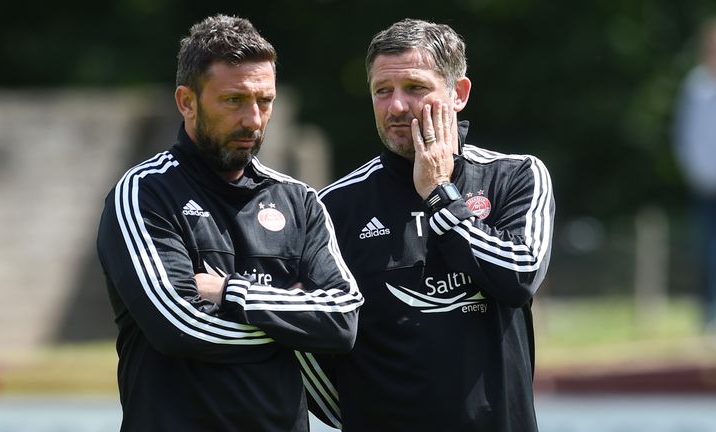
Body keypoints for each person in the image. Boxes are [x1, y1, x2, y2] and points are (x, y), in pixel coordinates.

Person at [96, 15, 363, 432]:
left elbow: (343, 320)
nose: (254, 120)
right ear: (187, 101)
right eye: (234, 100)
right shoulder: (144, 193)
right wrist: (293, 321)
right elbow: (179, 328)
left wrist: (232, 292)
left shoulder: (300, 201)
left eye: (265, 101)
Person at [299, 18, 554, 431]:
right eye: (383, 91)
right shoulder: (334, 206)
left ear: (459, 94)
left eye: (415, 88)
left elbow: (518, 275)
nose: (396, 106)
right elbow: (308, 344)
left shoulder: (516, 175)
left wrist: (438, 192)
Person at [673, 18, 716, 332]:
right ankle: (709, 311)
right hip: (703, 185)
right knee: (705, 252)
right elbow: (685, 135)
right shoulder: (695, 85)